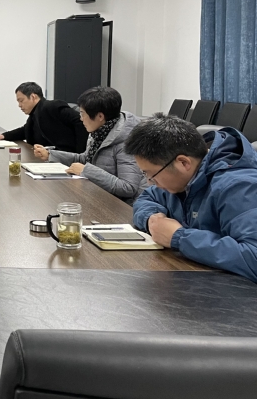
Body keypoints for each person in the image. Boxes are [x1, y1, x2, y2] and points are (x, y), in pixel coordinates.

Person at [125, 113, 257, 281]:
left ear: (183, 163)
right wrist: (153, 219)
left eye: (151, 175)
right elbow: (147, 198)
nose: (151, 182)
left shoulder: (240, 187)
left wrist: (178, 237)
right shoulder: (180, 179)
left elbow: (253, 256)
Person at [33, 87, 146, 204]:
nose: (80, 119)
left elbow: (128, 188)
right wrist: (50, 155)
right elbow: (85, 158)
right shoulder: (100, 131)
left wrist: (86, 170)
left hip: (119, 206)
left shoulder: (126, 141)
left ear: (100, 116)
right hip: (98, 196)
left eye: (83, 114)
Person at [0, 82, 87, 153]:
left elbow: (80, 121)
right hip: (46, 155)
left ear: (33, 97)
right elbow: (25, 130)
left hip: (64, 157)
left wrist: (80, 154)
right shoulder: (35, 114)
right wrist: (3, 136)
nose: (19, 105)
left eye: (21, 101)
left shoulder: (52, 106)